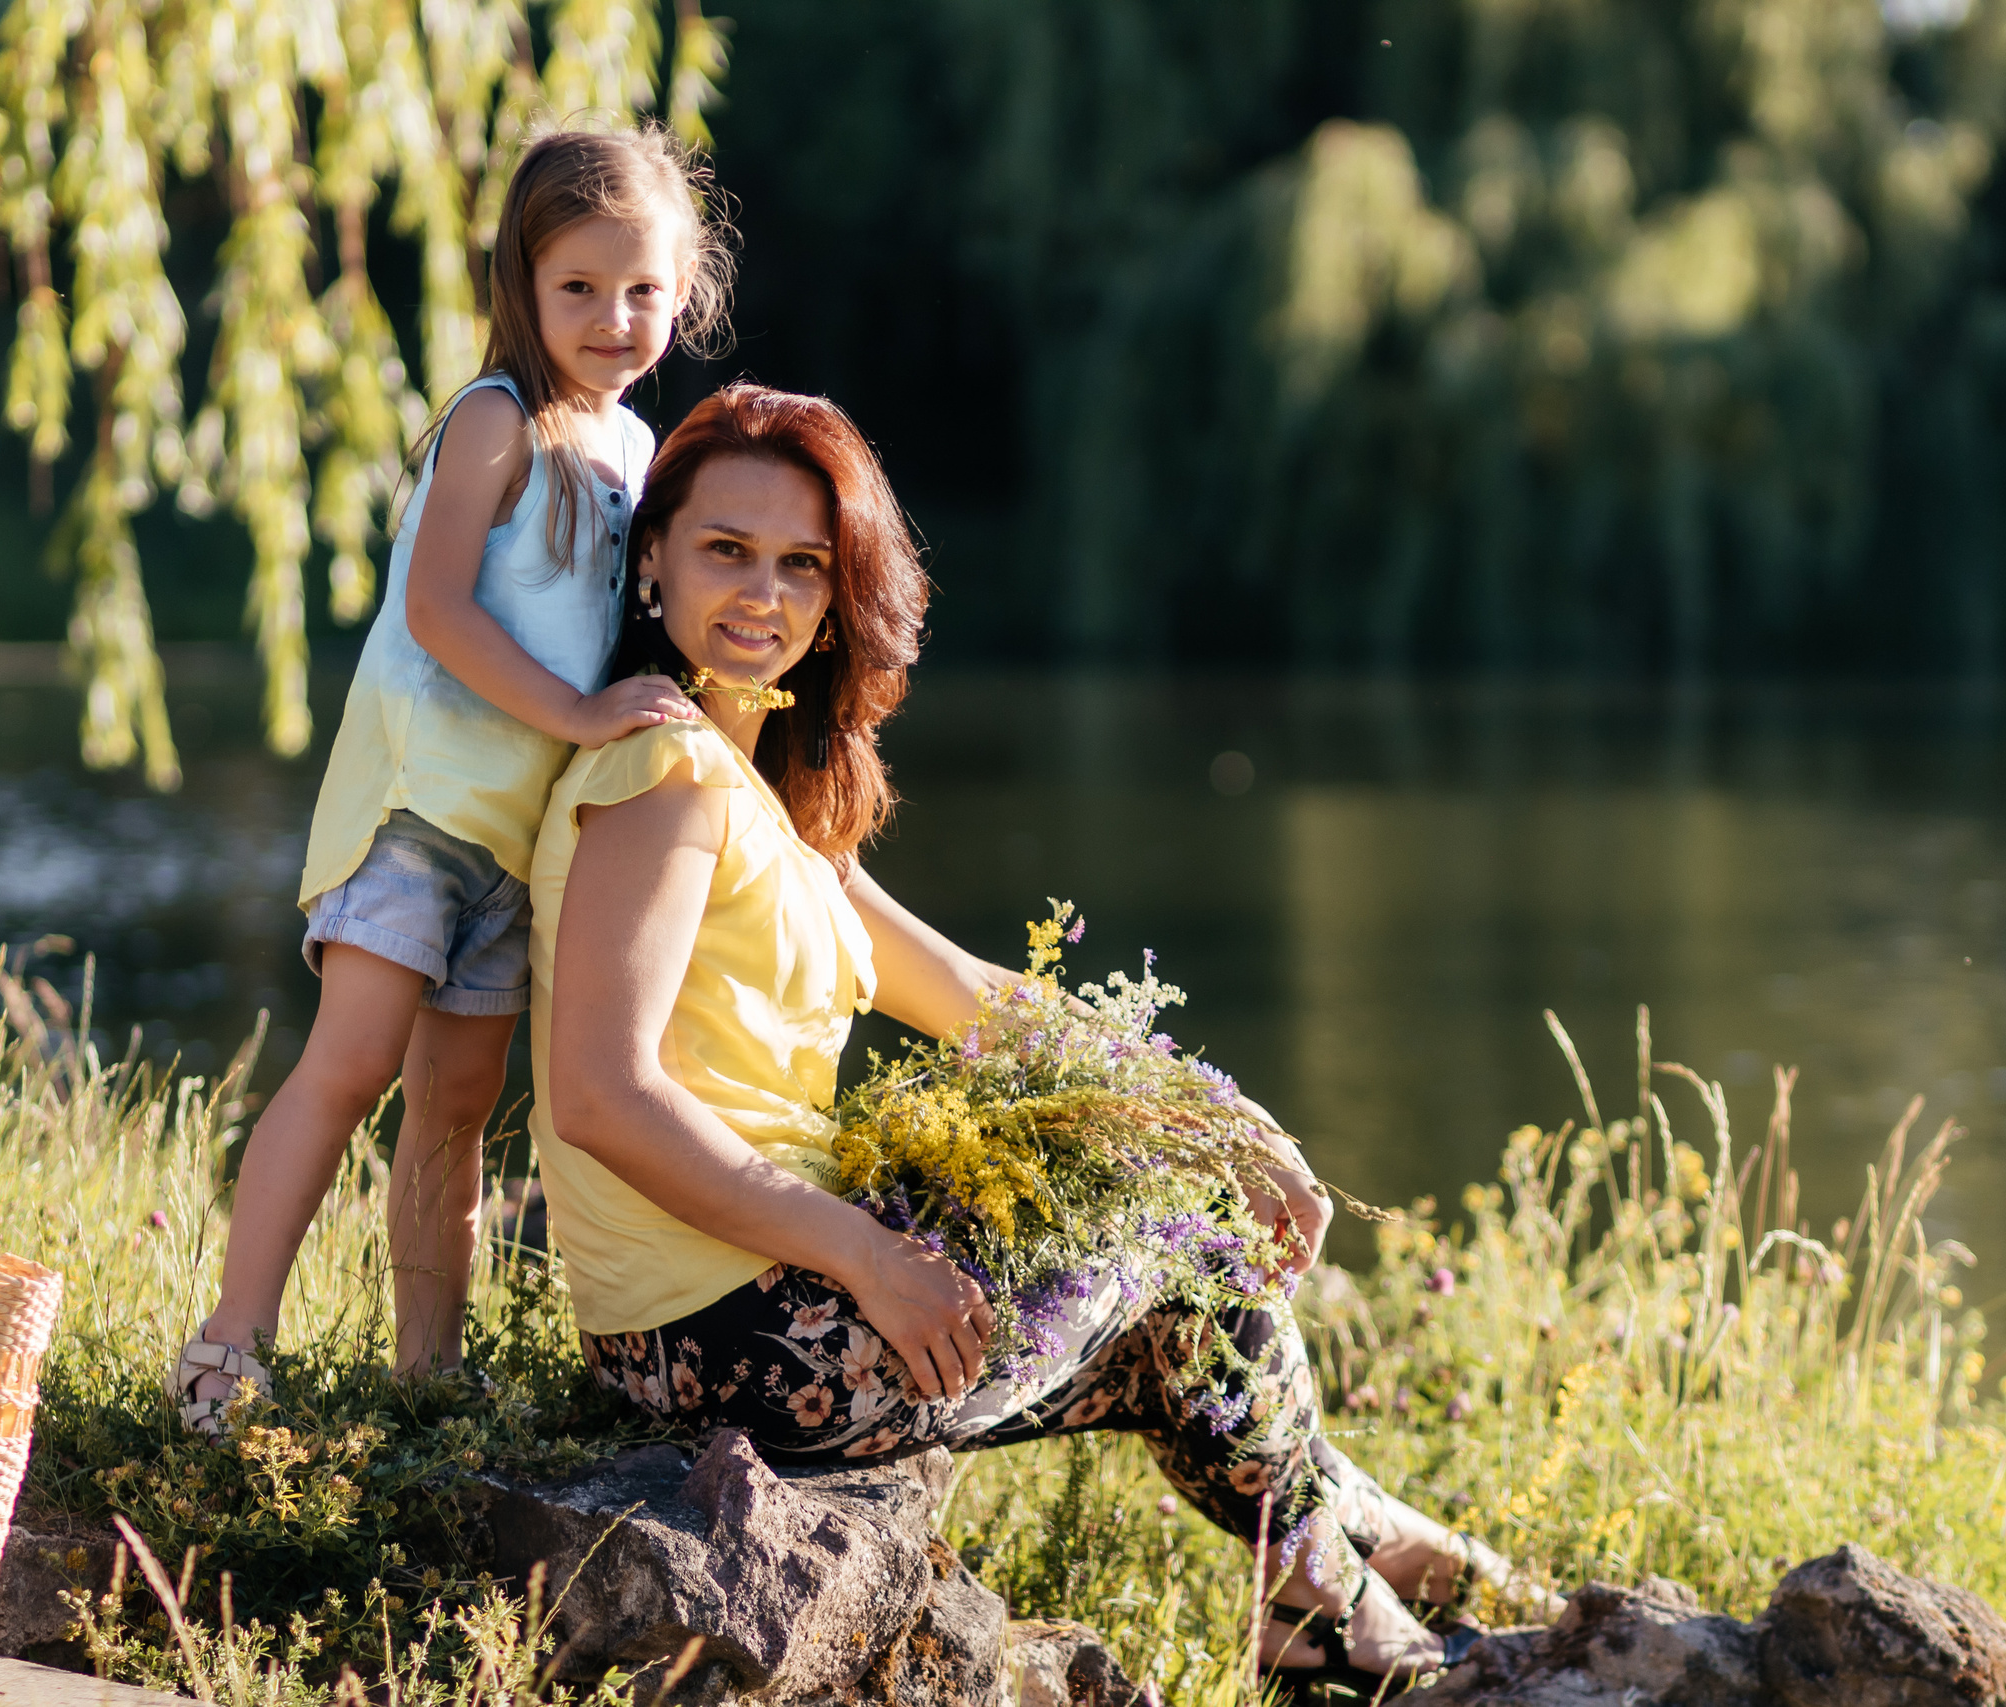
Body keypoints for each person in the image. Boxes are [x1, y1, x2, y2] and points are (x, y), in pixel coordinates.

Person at [528, 382, 1560, 1693]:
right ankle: (1342, 1582)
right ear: (654, 560)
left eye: (803, 565)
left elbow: (976, 994)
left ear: (840, 595)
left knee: (1165, 1333)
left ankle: (1343, 1544)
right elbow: (601, 1093)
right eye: (726, 550)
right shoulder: (665, 777)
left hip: (749, 1298)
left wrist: (1224, 1121)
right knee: (1187, 1250)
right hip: (714, 1330)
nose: (764, 595)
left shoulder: (754, 791)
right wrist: (873, 1260)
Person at [169, 128, 729, 1433]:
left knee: (460, 1107)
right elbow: (437, 612)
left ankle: (428, 1375)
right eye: (579, 287)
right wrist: (579, 713)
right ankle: (228, 1346)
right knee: (352, 1063)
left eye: (643, 290)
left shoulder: (636, 449)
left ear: (683, 293)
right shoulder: (497, 421)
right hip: (420, 808)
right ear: (519, 284)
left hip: (520, 837)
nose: (613, 318)